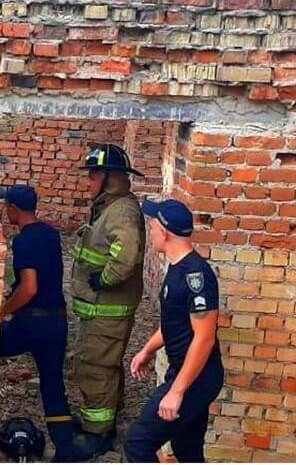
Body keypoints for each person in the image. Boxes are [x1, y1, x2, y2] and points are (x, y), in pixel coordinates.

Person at [124, 198, 224, 463]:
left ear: (164, 231)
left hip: (196, 378)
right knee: (187, 451)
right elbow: (174, 323)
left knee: (138, 443)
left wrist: (177, 391)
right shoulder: (176, 268)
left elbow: (204, 339)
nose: (152, 231)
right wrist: (147, 349)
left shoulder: (196, 277)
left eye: (153, 226)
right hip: (185, 373)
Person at [69, 144, 145, 457]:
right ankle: (103, 420)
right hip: (99, 311)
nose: (88, 180)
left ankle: (98, 434)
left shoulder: (121, 211)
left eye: (93, 174)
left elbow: (125, 256)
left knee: (95, 368)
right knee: (99, 366)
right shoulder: (110, 206)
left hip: (107, 311)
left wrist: (105, 279)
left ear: (109, 177)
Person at [0, 185, 78, 462]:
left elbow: (29, 288)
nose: (5, 212)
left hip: (32, 324)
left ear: (14, 209)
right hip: (57, 321)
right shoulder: (51, 233)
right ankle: (65, 449)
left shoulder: (24, 241)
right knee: (53, 384)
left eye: (6, 208)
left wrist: (3, 311)